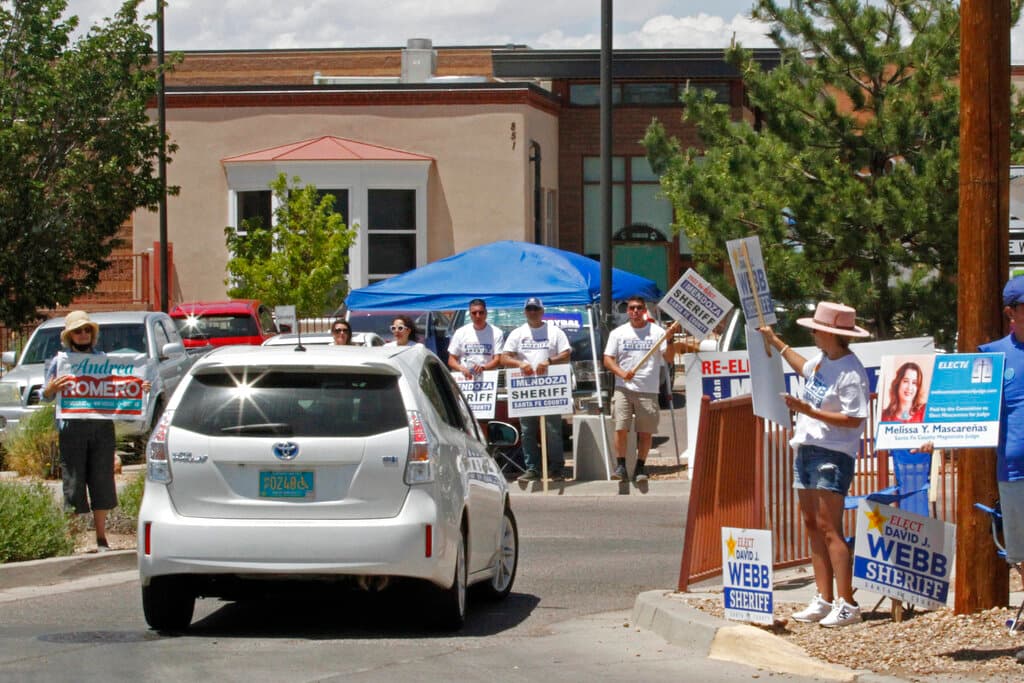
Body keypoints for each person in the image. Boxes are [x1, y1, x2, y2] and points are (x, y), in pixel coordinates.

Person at [758, 301, 870, 628]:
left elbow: (854, 419)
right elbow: (804, 367)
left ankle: (846, 602)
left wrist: (808, 411)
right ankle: (824, 599)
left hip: (832, 453)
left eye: (817, 328)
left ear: (830, 333)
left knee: (829, 527)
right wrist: (776, 341)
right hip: (808, 448)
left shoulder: (851, 371)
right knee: (812, 525)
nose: (813, 332)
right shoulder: (825, 360)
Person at [41, 312, 124, 552]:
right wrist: (51, 388)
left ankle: (101, 537)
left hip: (101, 427)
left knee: (102, 479)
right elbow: (45, 397)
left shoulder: (104, 360)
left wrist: (137, 387)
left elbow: (118, 388)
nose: (83, 334)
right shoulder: (60, 362)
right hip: (72, 429)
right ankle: (71, 540)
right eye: (78, 331)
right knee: (73, 482)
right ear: (69, 336)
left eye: (87, 330)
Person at [603, 296, 681, 482]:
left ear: (644, 310)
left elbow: (669, 358)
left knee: (645, 432)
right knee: (621, 427)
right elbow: (607, 359)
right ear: (627, 311)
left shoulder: (657, 332)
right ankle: (621, 466)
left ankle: (640, 467)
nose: (635, 311)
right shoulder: (618, 333)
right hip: (624, 388)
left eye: (639, 308)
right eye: (631, 308)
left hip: (648, 389)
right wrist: (621, 373)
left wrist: (669, 340)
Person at [979, 275, 1024, 588]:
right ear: (1011, 312)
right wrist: (935, 439)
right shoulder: (990, 355)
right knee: (1021, 552)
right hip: (1014, 470)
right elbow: (967, 409)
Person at [502, 297, 571, 482]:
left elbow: (566, 353)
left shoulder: (555, 332)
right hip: (526, 390)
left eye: (536, 309)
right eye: (529, 309)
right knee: (527, 431)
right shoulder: (518, 333)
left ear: (542, 311)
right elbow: (504, 357)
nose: (532, 312)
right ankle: (532, 468)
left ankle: (556, 468)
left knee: (553, 430)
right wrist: (520, 363)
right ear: (525, 312)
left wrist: (549, 361)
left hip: (549, 388)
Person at [448, 299, 504, 378]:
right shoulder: (460, 332)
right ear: (470, 314)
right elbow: (451, 360)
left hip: (488, 377)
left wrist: (483, 368)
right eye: (474, 313)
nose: (478, 316)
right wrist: (461, 368)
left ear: (486, 313)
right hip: (465, 378)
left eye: (481, 313)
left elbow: (498, 360)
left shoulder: (497, 333)